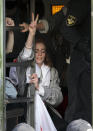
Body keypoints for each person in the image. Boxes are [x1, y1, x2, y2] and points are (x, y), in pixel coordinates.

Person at [9, 13, 67, 131]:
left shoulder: (52, 72)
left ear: (46, 53)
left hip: (47, 110)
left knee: (62, 127)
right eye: (36, 51)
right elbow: (25, 56)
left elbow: (59, 98)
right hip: (25, 109)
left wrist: (39, 88)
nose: (39, 54)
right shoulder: (25, 66)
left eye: (42, 51)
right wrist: (31, 34)